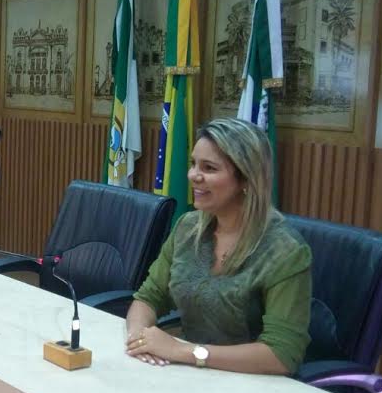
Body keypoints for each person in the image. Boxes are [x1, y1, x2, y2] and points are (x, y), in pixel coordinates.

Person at [124, 118, 312, 375]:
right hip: (191, 374)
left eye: (209, 168)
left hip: (255, 383)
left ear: (246, 179)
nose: (193, 175)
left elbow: (282, 355)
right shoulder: (187, 228)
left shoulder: (285, 251)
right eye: (193, 164)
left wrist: (185, 351)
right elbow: (149, 297)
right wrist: (139, 338)